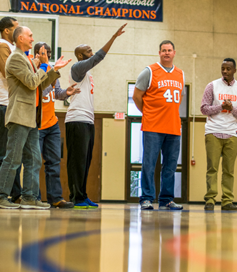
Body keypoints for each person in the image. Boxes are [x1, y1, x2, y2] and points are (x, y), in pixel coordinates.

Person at [0, 27, 71, 209]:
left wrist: (53, 69)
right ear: (20, 38)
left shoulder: (26, 59)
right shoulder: (16, 58)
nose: (33, 39)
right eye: (30, 36)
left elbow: (40, 86)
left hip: (32, 117)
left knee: (33, 158)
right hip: (19, 116)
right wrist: (43, 66)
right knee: (13, 158)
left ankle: (30, 198)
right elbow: (32, 81)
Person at [65, 24, 127, 209]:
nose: (92, 52)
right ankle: (76, 198)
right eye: (88, 50)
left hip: (87, 121)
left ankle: (82, 196)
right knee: (76, 162)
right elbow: (99, 57)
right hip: (76, 120)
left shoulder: (87, 73)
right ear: (81, 55)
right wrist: (113, 37)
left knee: (85, 161)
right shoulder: (77, 68)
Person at [133, 40, 184, 211]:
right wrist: (147, 113)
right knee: (149, 164)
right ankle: (146, 199)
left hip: (173, 128)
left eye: (169, 50)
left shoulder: (180, 74)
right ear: (159, 53)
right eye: (164, 50)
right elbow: (136, 96)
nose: (167, 53)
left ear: (174, 53)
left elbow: (179, 99)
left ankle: (166, 200)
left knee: (170, 166)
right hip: (153, 127)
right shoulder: (149, 71)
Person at [34, 42, 80, 209]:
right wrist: (49, 71)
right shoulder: (33, 70)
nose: (46, 55)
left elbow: (55, 92)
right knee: (34, 163)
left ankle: (55, 198)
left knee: (53, 162)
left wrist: (66, 93)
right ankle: (35, 198)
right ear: (36, 55)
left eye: (48, 52)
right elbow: (40, 91)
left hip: (52, 124)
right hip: (36, 125)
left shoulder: (52, 69)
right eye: (42, 52)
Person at [201, 58, 237, 211]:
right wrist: (221, 106)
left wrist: (232, 108)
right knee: (212, 168)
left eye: (228, 69)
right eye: (223, 68)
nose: (225, 71)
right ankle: (210, 200)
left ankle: (227, 201)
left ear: (235, 70)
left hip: (232, 133)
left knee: (229, 170)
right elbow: (204, 108)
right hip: (213, 131)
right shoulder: (212, 86)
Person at [0, 16, 22, 206]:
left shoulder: (12, 48)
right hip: (3, 103)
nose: (19, 31)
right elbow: (11, 72)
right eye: (16, 28)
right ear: (7, 30)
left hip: (12, 104)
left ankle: (16, 194)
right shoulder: (2, 46)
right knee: (1, 150)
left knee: (13, 152)